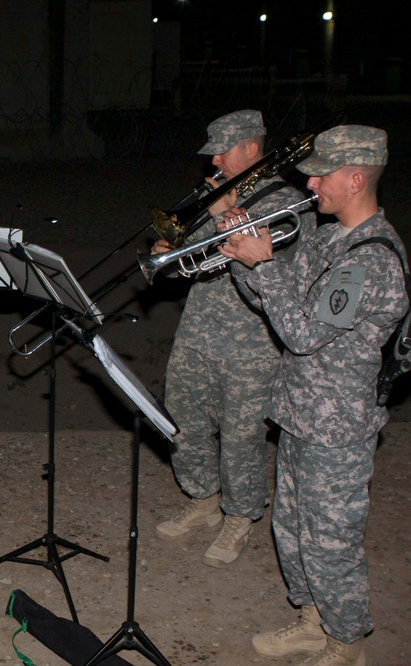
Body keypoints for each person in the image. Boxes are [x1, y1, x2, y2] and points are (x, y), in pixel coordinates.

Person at [220, 125, 404, 666]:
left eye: (323, 175)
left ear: (354, 179)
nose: (312, 183)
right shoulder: (328, 239)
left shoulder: (369, 260)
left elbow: (303, 335)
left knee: (330, 546)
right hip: (302, 414)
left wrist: (266, 263)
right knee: (293, 532)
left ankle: (346, 644)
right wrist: (237, 249)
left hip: (338, 429)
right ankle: (312, 621)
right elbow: (275, 307)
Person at [152, 110, 316, 568]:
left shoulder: (290, 203)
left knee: (242, 436)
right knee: (183, 419)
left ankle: (240, 517)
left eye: (223, 151)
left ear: (251, 147)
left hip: (252, 342)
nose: (215, 162)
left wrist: (230, 215)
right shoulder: (217, 194)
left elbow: (278, 271)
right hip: (199, 327)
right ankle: (203, 498)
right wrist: (169, 250)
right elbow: (197, 250)